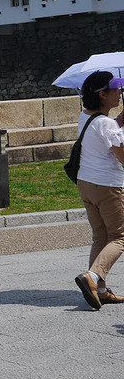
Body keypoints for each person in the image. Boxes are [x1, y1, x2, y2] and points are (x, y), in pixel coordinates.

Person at [74, 70, 124, 310]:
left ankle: (100, 290)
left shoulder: (86, 116)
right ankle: (93, 277)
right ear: (102, 95)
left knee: (100, 236)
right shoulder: (107, 125)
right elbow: (122, 156)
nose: (120, 92)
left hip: (86, 183)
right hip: (107, 186)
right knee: (119, 237)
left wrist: (120, 121)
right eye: (115, 88)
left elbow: (104, 128)